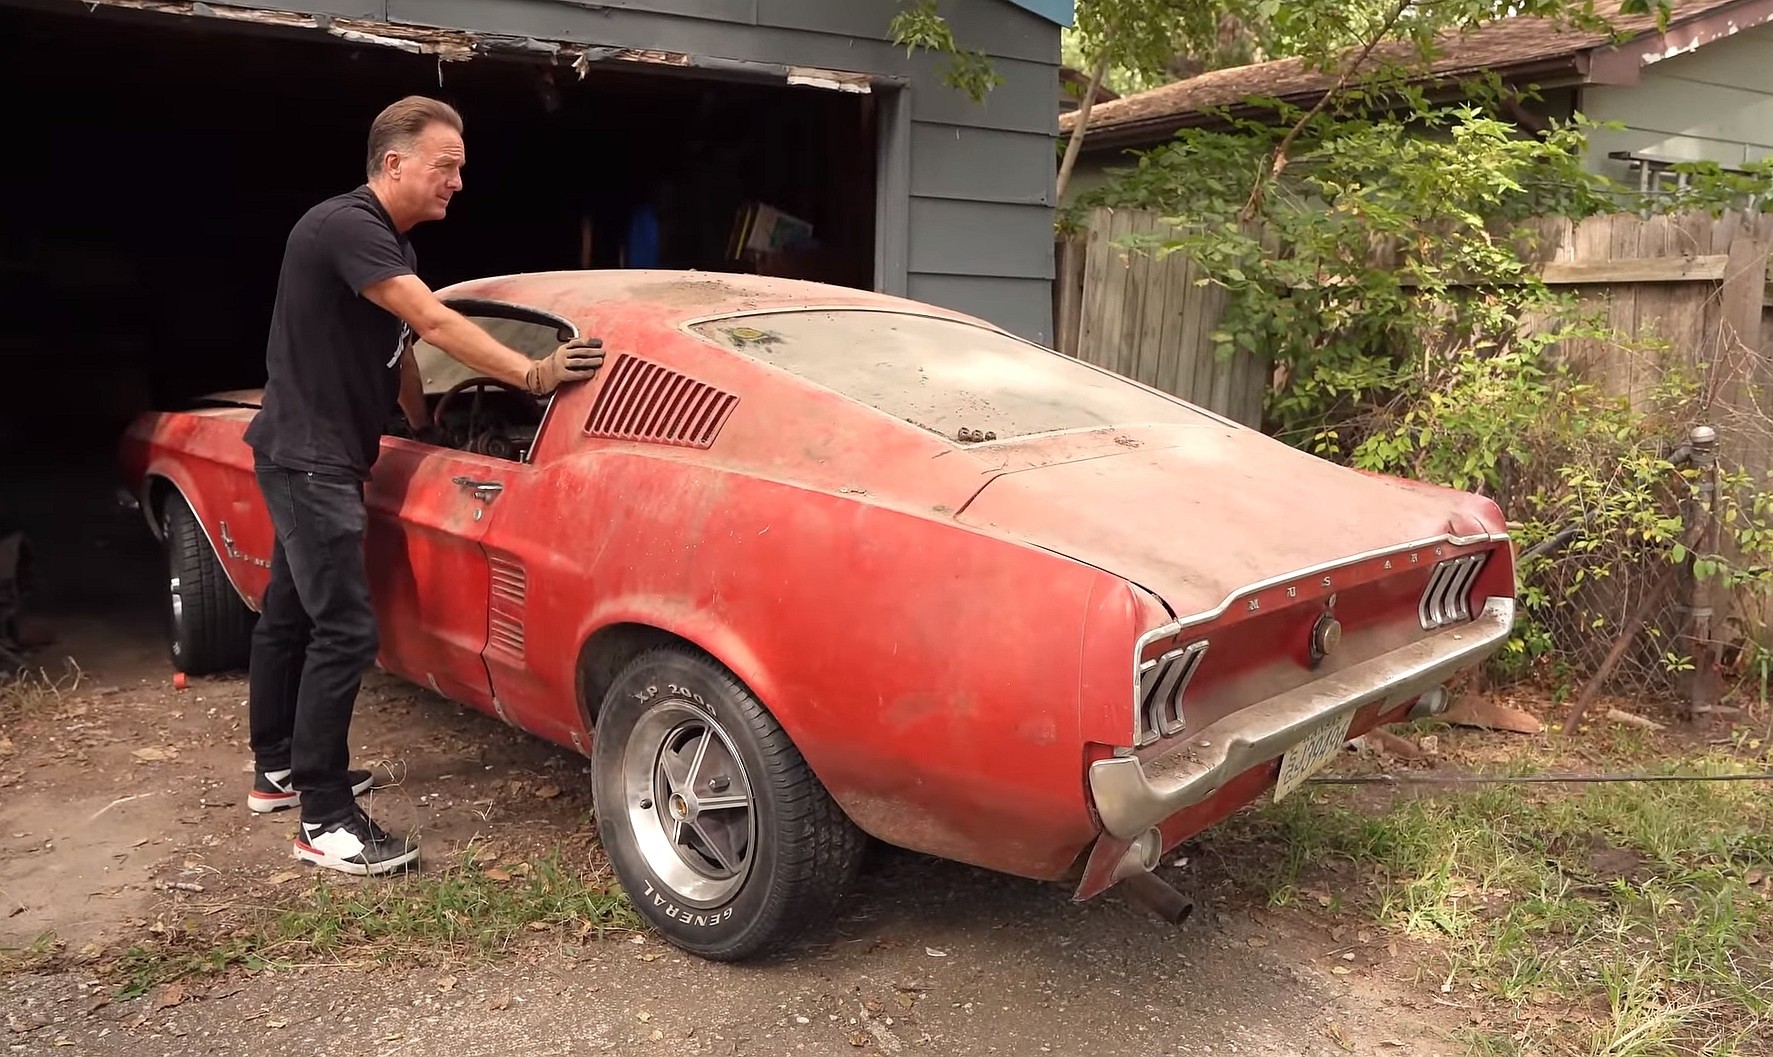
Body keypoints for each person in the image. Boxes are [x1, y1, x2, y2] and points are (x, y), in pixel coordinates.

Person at [241, 95, 606, 876]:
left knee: (290, 612)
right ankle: (324, 817)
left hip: (311, 450)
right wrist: (531, 373)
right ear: (394, 163)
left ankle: (278, 769)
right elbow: (432, 322)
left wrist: (422, 424)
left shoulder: (384, 248)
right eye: (446, 167)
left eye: (462, 169)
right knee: (342, 630)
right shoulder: (348, 226)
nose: (458, 182)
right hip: (312, 459)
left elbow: (402, 349)